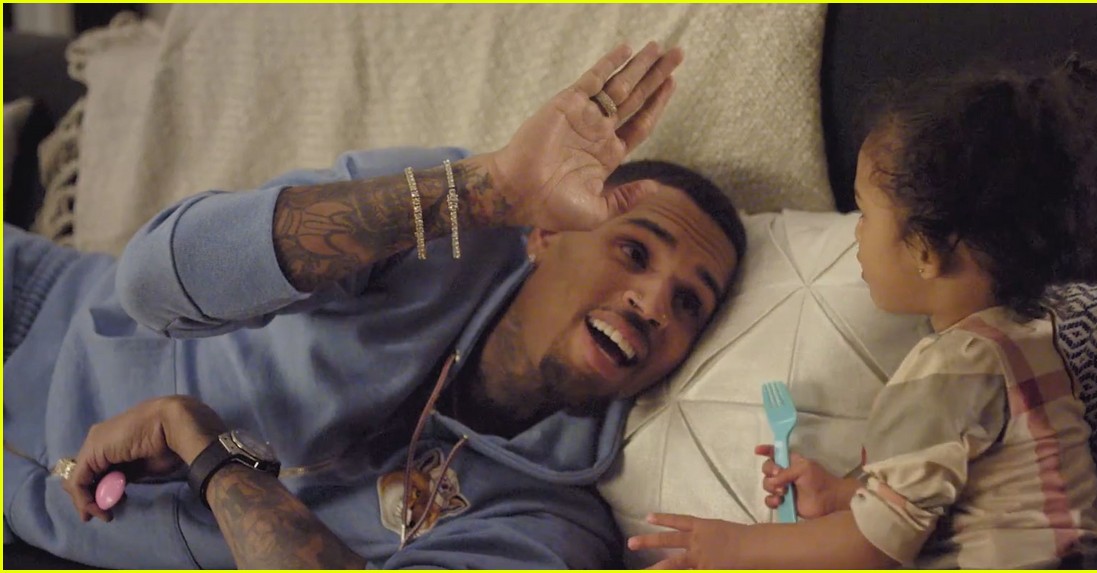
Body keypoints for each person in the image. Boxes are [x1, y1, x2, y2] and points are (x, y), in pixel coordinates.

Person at [3, 42, 747, 569]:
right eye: (634, 252)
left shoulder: (549, 524)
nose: (655, 301)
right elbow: (154, 281)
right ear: (548, 235)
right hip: (31, 308)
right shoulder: (449, 219)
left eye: (689, 302)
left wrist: (215, 461)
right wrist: (488, 188)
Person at [628, 54, 1097, 568]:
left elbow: (876, 547)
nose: (856, 234)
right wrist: (842, 494)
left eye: (864, 214)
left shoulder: (947, 371)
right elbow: (949, 496)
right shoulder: (1026, 337)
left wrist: (736, 548)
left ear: (926, 251)